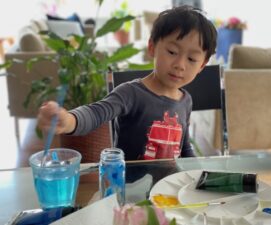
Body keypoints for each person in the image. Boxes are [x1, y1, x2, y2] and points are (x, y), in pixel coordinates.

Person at [37, 5, 217, 160]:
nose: (180, 65)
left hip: (169, 191)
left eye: (192, 59)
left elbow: (184, 149)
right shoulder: (131, 93)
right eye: (171, 52)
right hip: (131, 189)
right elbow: (96, 113)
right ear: (152, 47)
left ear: (202, 65)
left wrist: (197, 174)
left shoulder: (185, 101)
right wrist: (69, 120)